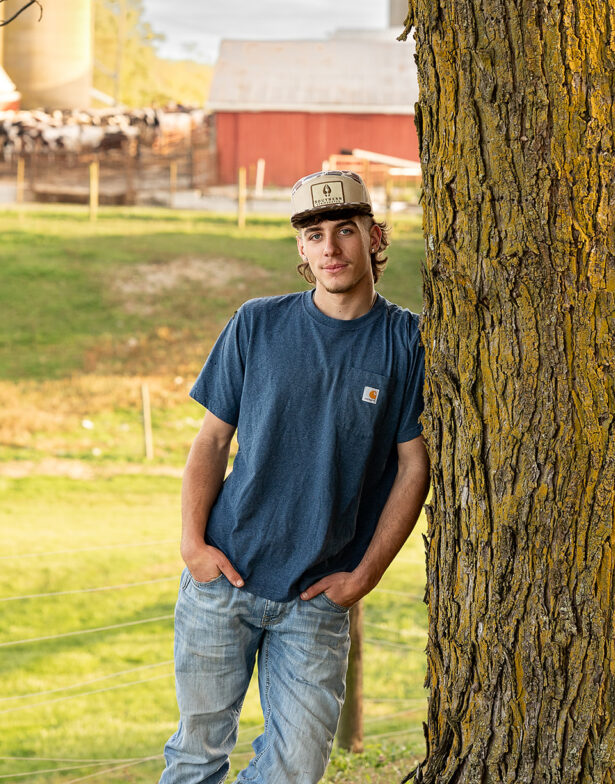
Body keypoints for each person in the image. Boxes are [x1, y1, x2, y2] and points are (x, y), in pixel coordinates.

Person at [159, 169, 429, 784]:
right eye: (314, 235)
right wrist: (192, 545)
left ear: (373, 236)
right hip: (223, 581)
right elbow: (211, 439)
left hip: (315, 599)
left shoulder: (405, 341)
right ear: (301, 250)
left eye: (345, 230)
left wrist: (365, 573)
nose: (330, 247)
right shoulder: (256, 324)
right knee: (196, 757)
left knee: (294, 771)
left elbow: (415, 465)